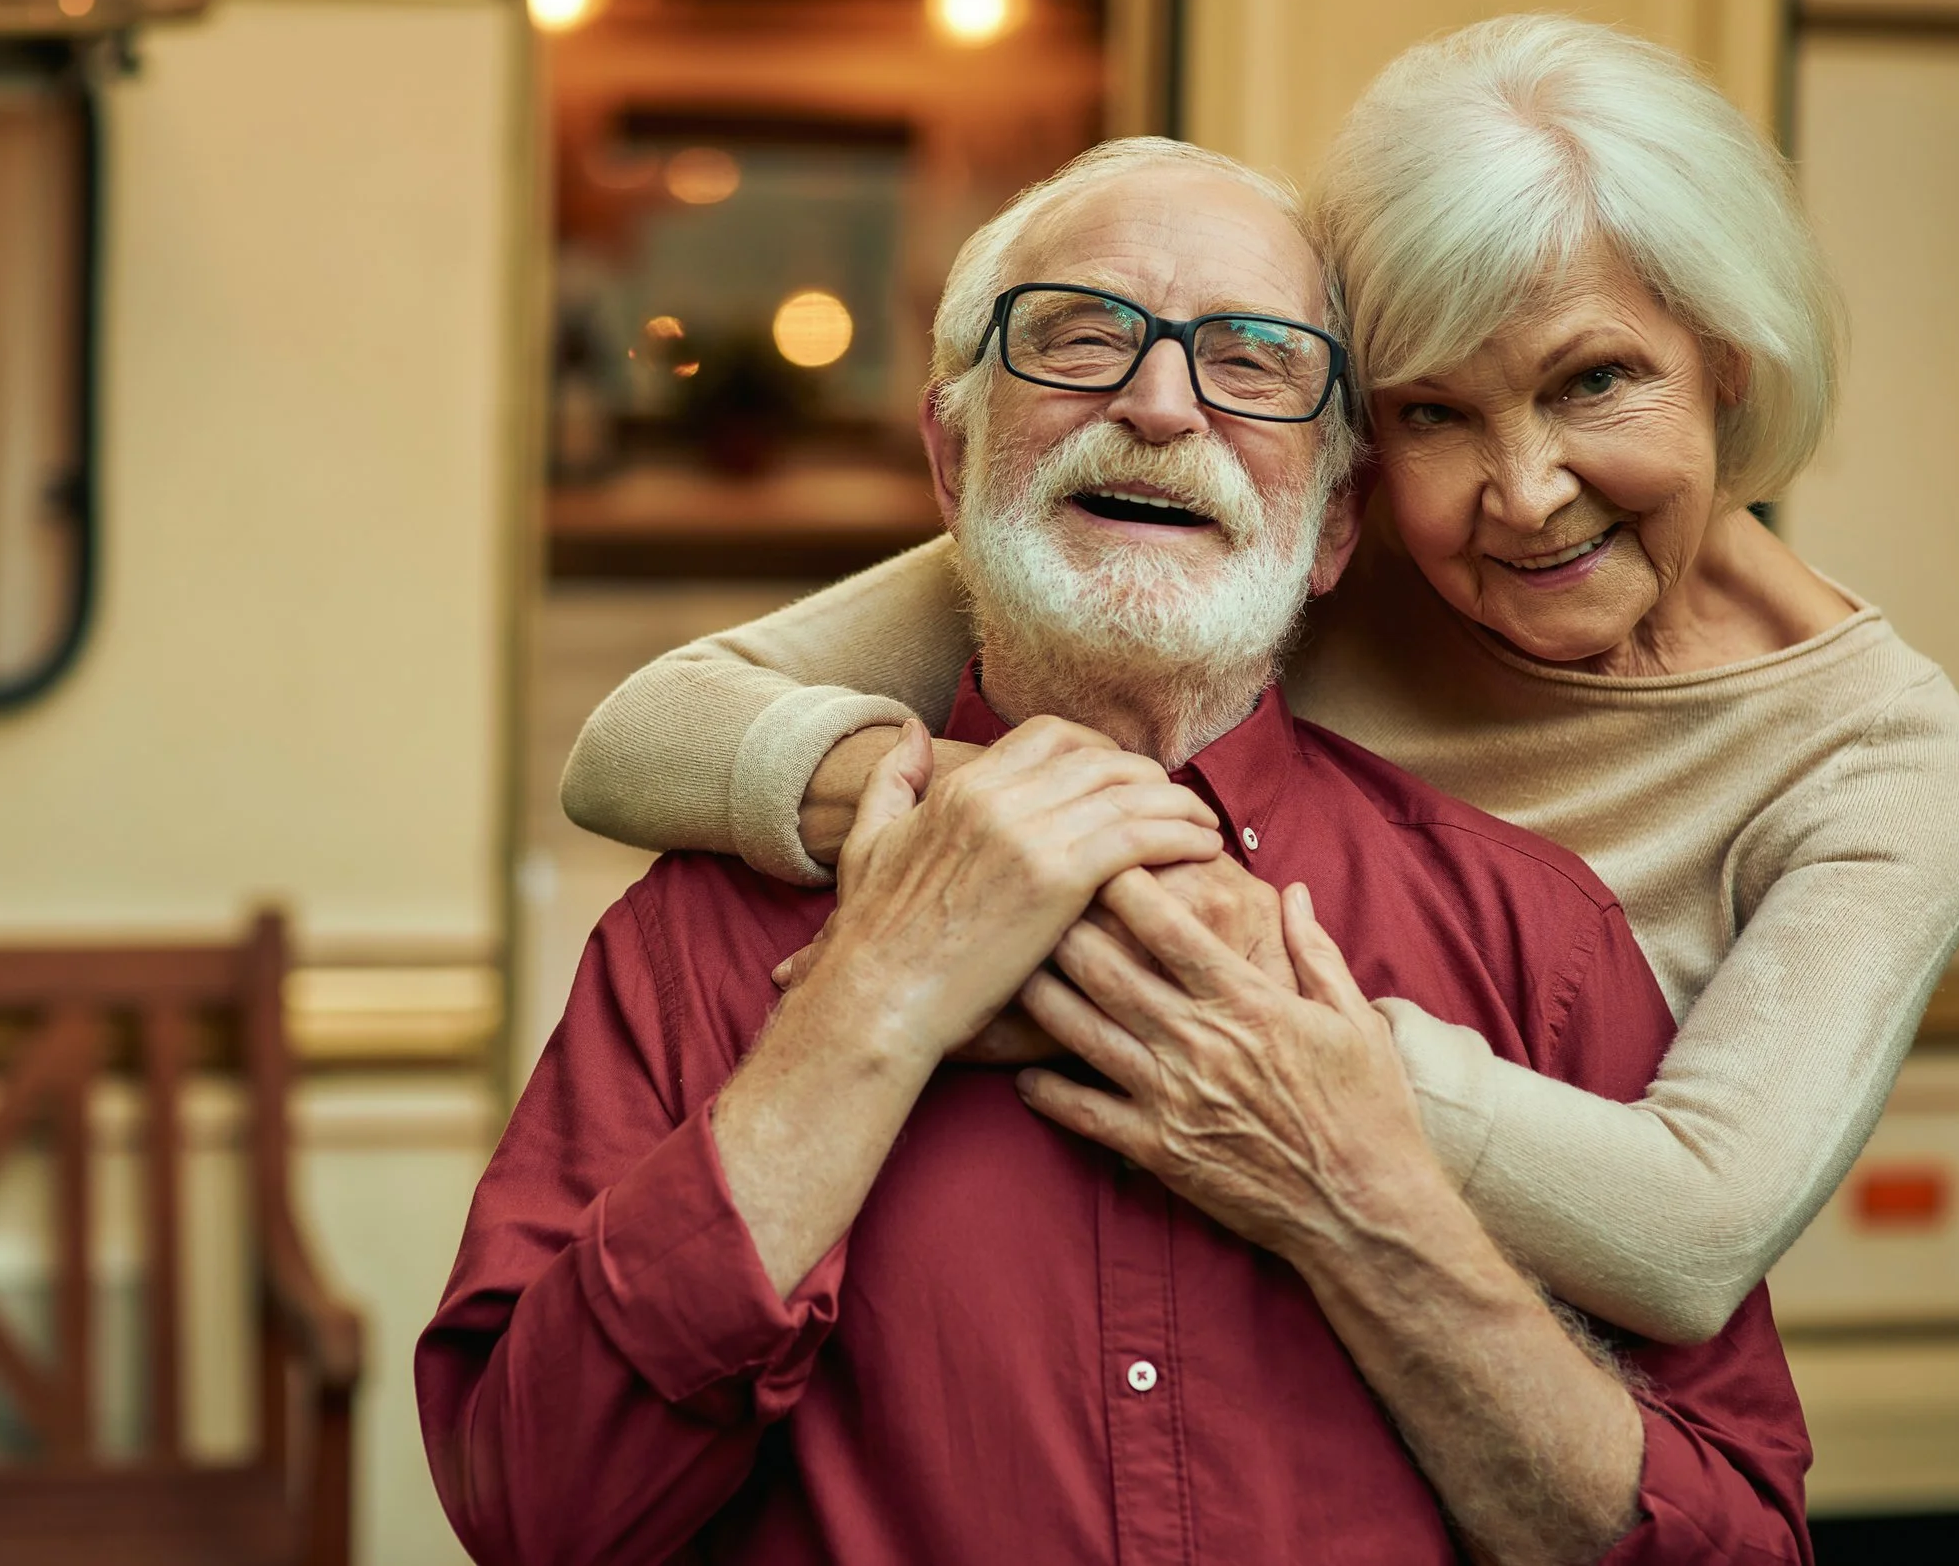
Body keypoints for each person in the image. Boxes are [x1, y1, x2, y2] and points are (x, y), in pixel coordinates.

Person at [419, 138, 1810, 1565]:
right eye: (1081, 340)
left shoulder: (1538, 942)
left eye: (1255, 362)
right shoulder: (698, 938)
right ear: (953, 462)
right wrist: (867, 1010)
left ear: (1336, 522)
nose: (1157, 405)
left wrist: (1364, 1212)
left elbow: (1739, 1546)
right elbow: (534, 1510)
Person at [556, 14, 1959, 1342]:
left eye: (1593, 383)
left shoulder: (1878, 758)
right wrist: (1012, 829)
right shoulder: (1290, 536)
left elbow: (1694, 1235)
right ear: (1356, 463)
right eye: (1434, 410)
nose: (1523, 494)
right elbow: (642, 738)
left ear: (1731, 371)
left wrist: (1213, 998)